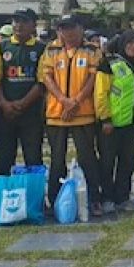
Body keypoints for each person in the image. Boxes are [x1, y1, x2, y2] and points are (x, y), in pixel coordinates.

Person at [42, 14, 103, 215]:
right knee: (57, 159)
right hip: (56, 113)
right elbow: (47, 77)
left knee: (87, 158)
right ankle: (54, 200)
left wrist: (75, 102)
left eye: (71, 27)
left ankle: (94, 198)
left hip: (83, 113)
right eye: (63, 28)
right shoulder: (51, 49)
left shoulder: (92, 50)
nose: (67, 32)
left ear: (80, 28)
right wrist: (63, 100)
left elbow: (93, 79)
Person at [0, 8, 46, 175]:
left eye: (24, 21)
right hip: (5, 114)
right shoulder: (0, 48)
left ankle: (35, 198)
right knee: (5, 159)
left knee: (33, 159)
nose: (19, 25)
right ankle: (3, 197)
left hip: (31, 115)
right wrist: (4, 104)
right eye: (16, 21)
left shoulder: (41, 49)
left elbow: (42, 82)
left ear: (33, 25)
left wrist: (23, 104)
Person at [95, 29, 134, 213]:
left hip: (131, 124)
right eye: (130, 43)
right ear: (122, 43)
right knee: (107, 162)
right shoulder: (108, 64)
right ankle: (107, 197)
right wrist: (105, 118)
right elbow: (101, 93)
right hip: (111, 124)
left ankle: (122, 197)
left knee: (127, 162)